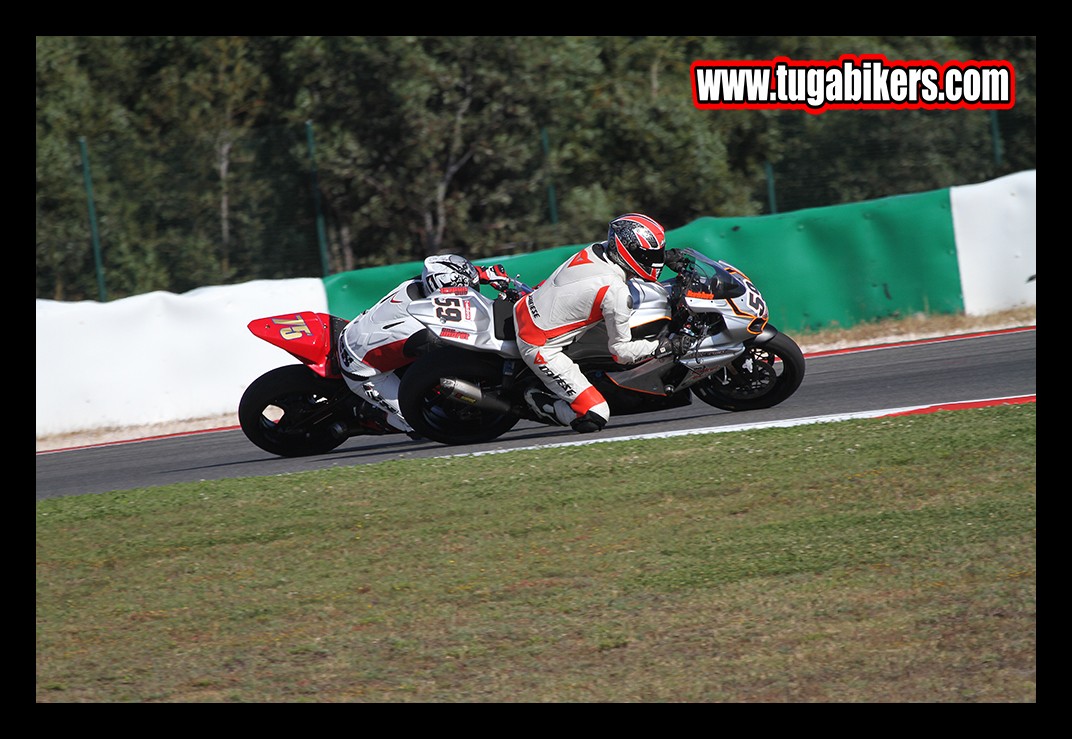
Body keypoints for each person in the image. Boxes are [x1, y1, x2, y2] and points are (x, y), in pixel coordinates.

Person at [513, 213, 697, 434]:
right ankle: (533, 400)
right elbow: (621, 352)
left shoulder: (597, 250)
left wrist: (664, 257)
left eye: (656, 253)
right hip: (539, 344)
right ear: (626, 250)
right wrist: (665, 346)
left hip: (528, 305)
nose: (655, 260)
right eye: (649, 255)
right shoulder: (615, 291)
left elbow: (631, 260)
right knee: (595, 415)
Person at [338, 254, 510, 434]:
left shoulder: (420, 284)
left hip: (360, 333)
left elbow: (456, 274)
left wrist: (484, 274)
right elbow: (447, 359)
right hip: (362, 371)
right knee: (420, 422)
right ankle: (369, 415)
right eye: (466, 289)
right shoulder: (423, 329)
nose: (471, 291)